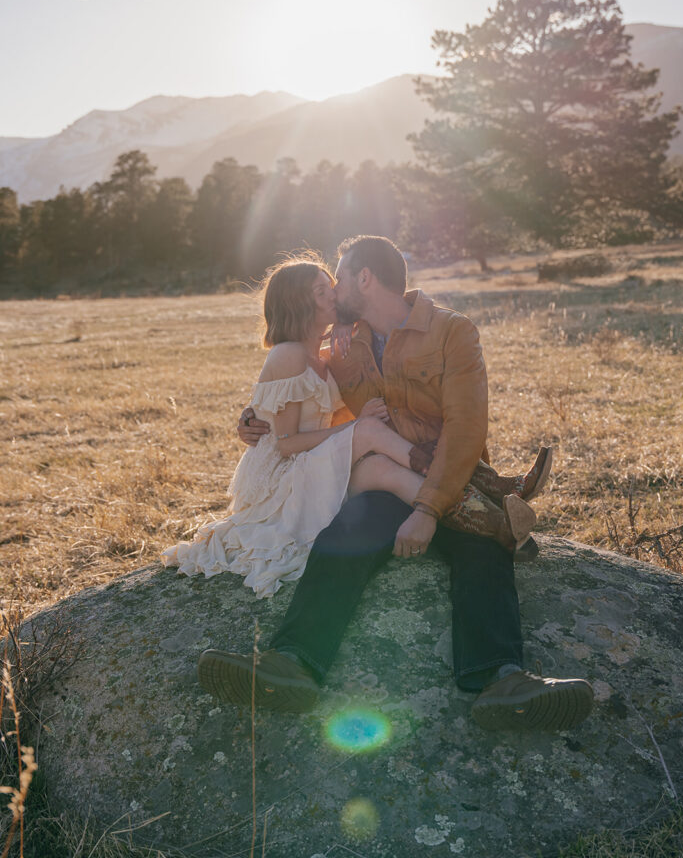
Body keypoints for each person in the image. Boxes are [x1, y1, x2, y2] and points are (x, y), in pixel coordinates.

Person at [198, 237, 594, 731]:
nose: (334, 287)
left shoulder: (453, 332)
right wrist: (251, 421)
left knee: (481, 548)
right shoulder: (345, 344)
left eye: (339, 277)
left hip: (448, 473)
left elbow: (466, 428)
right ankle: (292, 664)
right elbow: (299, 394)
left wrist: (428, 511)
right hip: (385, 480)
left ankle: (500, 681)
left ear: (365, 279)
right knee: (344, 533)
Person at [162, 255, 535, 598]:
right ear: (300, 304)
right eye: (323, 291)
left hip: (311, 464)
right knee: (368, 433)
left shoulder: (325, 356)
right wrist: (350, 429)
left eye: (332, 284)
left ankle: (494, 516)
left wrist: (343, 322)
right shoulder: (290, 354)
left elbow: (284, 399)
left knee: (379, 467)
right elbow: (286, 442)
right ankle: (492, 506)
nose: (335, 293)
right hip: (283, 478)